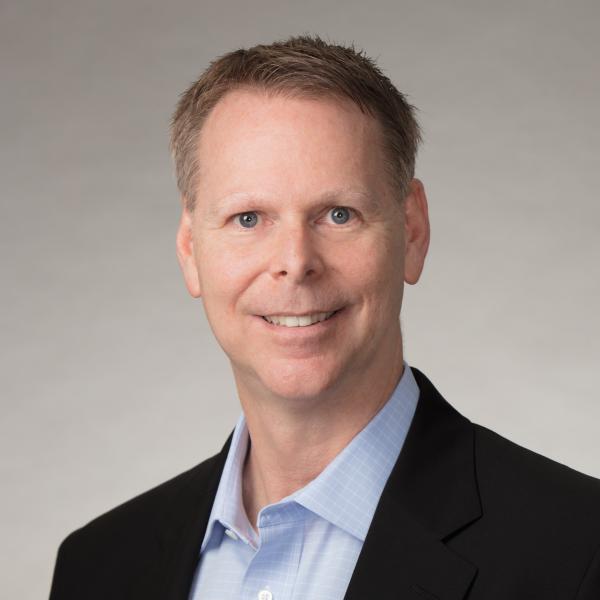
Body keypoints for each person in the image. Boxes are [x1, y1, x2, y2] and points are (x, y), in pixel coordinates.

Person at [49, 35, 600, 600]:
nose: (295, 263)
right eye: (247, 218)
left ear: (412, 231)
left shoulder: (579, 552)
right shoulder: (96, 568)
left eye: (339, 214)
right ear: (190, 252)